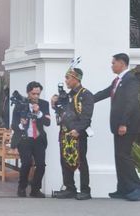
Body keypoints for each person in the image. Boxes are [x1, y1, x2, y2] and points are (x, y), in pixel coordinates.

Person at [94, 53, 140, 201]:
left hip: (127, 126)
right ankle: (123, 189)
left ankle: (136, 188)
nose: (112, 65)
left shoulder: (130, 80)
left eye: (113, 63)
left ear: (122, 63)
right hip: (118, 126)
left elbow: (131, 103)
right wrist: (84, 99)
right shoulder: (117, 81)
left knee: (124, 156)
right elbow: (103, 93)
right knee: (119, 156)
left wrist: (123, 123)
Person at [51, 67, 94, 200]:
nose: (66, 81)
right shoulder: (67, 95)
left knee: (81, 161)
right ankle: (70, 188)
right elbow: (61, 111)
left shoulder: (86, 94)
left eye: (68, 78)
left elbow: (87, 117)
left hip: (78, 134)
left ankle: (85, 190)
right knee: (65, 160)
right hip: (65, 134)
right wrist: (55, 102)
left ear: (76, 78)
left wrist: (78, 130)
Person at [11, 81, 50, 198]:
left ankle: (35, 189)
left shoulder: (44, 104)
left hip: (38, 139)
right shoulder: (20, 104)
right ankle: (21, 188)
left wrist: (38, 113)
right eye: (33, 94)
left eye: (38, 94)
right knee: (26, 163)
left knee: (41, 165)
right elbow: (13, 124)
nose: (36, 96)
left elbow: (47, 122)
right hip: (24, 138)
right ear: (28, 93)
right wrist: (21, 125)